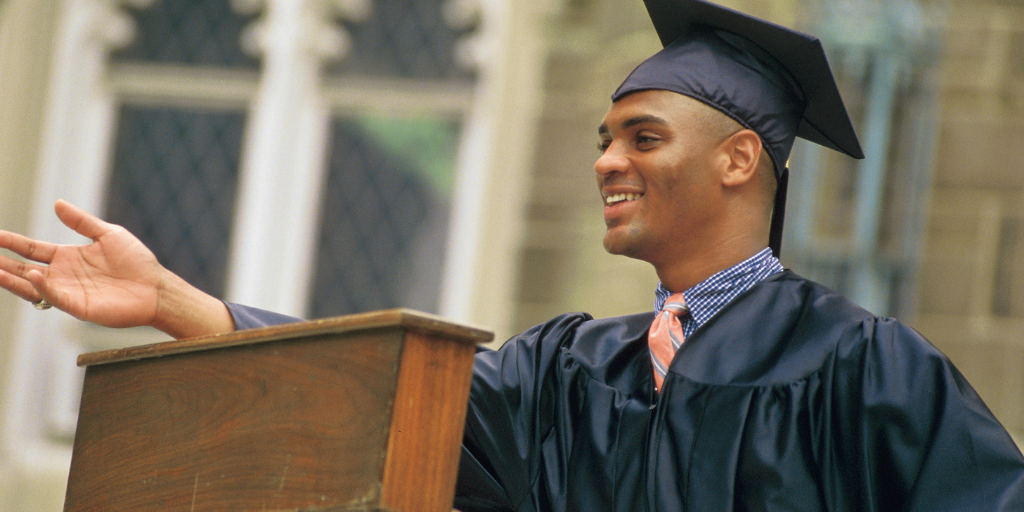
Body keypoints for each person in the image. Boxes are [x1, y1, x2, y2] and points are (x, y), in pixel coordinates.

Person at [1, 0, 1023, 510]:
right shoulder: (567, 370)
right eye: (601, 138)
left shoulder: (861, 366)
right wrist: (183, 304)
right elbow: (388, 382)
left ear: (738, 158)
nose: (607, 162)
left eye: (642, 136)